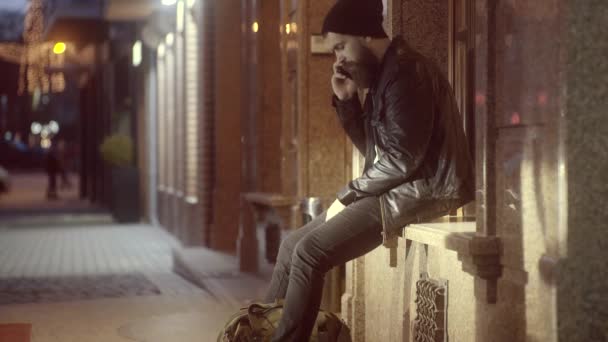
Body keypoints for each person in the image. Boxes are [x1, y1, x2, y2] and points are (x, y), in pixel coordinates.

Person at [264, 0, 474, 340]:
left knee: (309, 253)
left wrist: (348, 194)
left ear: (365, 34)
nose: (339, 60)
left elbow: (402, 160)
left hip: (426, 188)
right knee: (291, 246)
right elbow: (376, 154)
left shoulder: (407, 73)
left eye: (340, 46)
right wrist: (347, 102)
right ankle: (262, 329)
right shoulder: (383, 76)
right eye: (334, 52)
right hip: (398, 187)